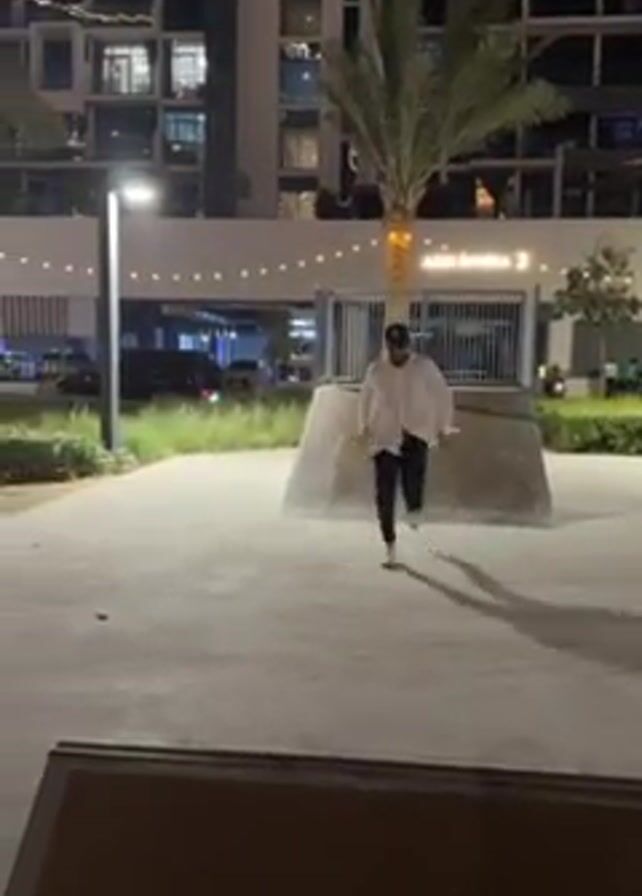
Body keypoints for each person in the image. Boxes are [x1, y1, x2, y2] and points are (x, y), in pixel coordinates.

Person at [358, 322, 457, 569]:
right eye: (393, 348)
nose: (398, 354)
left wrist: (443, 427)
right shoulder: (376, 370)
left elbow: (442, 395)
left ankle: (415, 509)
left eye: (401, 348)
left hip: (416, 434)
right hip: (384, 437)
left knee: (413, 486)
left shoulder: (424, 367)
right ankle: (390, 545)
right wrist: (363, 427)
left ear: (408, 346)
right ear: (387, 347)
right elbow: (364, 399)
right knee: (384, 494)